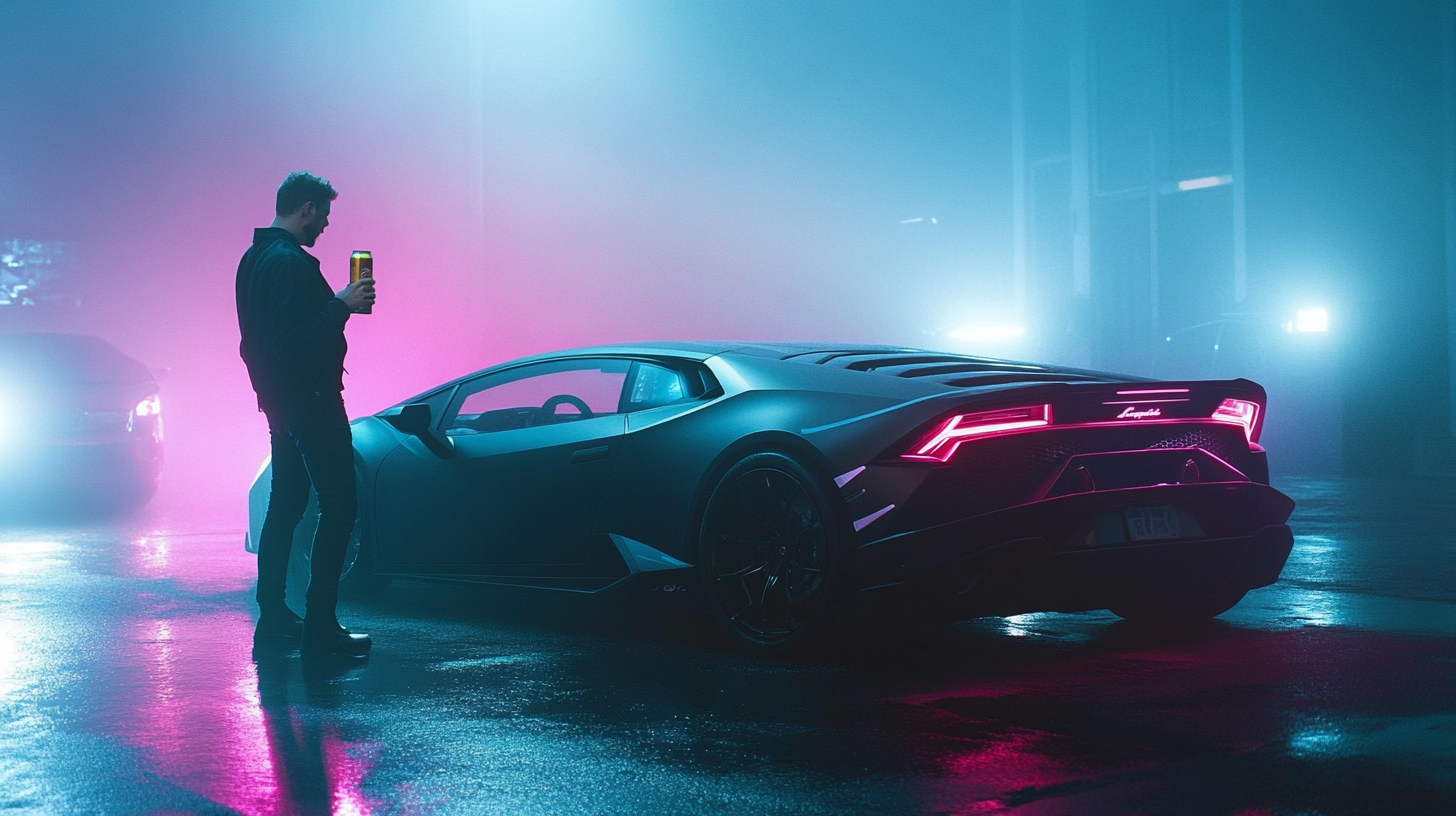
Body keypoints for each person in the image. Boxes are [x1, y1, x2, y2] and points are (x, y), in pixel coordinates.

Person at [236, 171, 375, 654]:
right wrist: (340, 304)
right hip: (311, 402)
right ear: (307, 209)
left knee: (287, 507)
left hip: (280, 404)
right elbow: (292, 343)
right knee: (340, 506)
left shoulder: (254, 259)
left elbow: (259, 343)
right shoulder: (289, 264)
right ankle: (321, 625)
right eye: (324, 216)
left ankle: (274, 616)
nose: (325, 228)